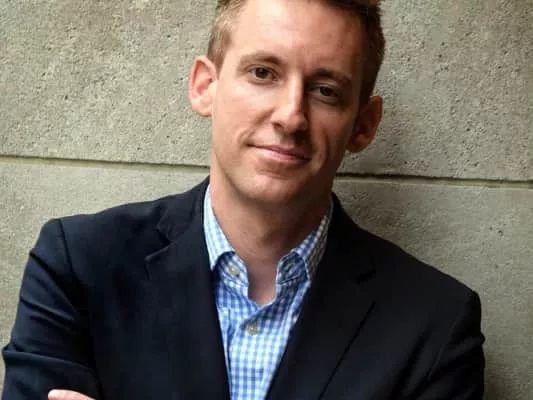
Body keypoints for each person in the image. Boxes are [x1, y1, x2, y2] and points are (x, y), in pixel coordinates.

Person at [2, 0, 485, 399]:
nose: (290, 116)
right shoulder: (79, 267)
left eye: (325, 90)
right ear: (205, 86)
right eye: (262, 72)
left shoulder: (435, 325)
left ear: (363, 124)